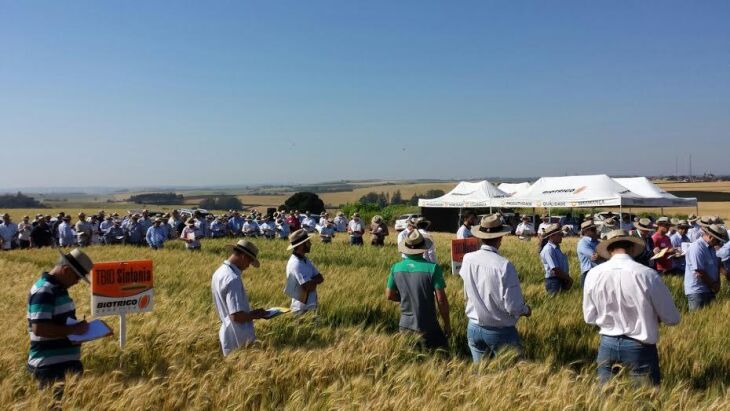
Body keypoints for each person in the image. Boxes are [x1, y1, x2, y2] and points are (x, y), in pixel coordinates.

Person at [583, 229, 680, 386]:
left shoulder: (593, 274)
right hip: (640, 347)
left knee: (606, 401)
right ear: (633, 248)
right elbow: (672, 318)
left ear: (609, 250)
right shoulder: (647, 275)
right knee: (643, 402)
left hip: (607, 344)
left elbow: (589, 317)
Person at [459, 214, 531, 362]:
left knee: (482, 376)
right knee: (515, 374)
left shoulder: (467, 259)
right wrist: (526, 310)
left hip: (473, 327)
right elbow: (513, 307)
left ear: (480, 236)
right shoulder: (504, 266)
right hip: (500, 330)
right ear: (500, 238)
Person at [27, 248, 94, 400]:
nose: (77, 282)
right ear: (65, 270)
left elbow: (60, 324)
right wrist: (75, 329)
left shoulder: (58, 290)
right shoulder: (44, 290)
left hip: (64, 366)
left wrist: (79, 330)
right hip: (50, 369)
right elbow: (39, 328)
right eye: (77, 277)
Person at [386, 229, 450, 349]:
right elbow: (441, 300)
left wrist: (406, 298)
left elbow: (389, 295)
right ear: (423, 248)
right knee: (442, 357)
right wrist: (447, 324)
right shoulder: (433, 268)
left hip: (405, 325)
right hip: (428, 324)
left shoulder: (396, 268)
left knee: (410, 361)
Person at [211, 240, 268, 356]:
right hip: (238, 337)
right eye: (249, 261)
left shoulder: (219, 272)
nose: (248, 266)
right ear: (243, 256)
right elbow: (236, 316)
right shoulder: (232, 278)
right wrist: (257, 314)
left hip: (227, 333)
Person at [684, 224, 728, 310]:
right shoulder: (696, 247)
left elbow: (717, 266)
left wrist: (717, 283)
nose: (719, 243)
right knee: (697, 320)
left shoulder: (712, 248)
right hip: (697, 291)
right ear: (711, 237)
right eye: (718, 240)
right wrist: (713, 284)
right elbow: (699, 272)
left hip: (709, 290)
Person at [286, 229, 324, 314]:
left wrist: (311, 281)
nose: (310, 244)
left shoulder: (305, 260)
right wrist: (313, 281)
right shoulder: (295, 263)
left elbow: (321, 278)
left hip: (310, 306)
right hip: (300, 309)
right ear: (301, 245)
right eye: (308, 242)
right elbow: (309, 287)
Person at [540, 224, 572, 294]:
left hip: (560, 279)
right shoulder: (549, 249)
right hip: (554, 281)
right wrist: (568, 279)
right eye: (559, 234)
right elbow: (555, 270)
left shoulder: (556, 248)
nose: (561, 237)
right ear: (552, 236)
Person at [576, 220, 601, 288]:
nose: (595, 231)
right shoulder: (583, 242)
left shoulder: (597, 241)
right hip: (588, 273)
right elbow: (594, 256)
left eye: (595, 229)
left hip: (598, 272)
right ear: (586, 231)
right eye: (593, 229)